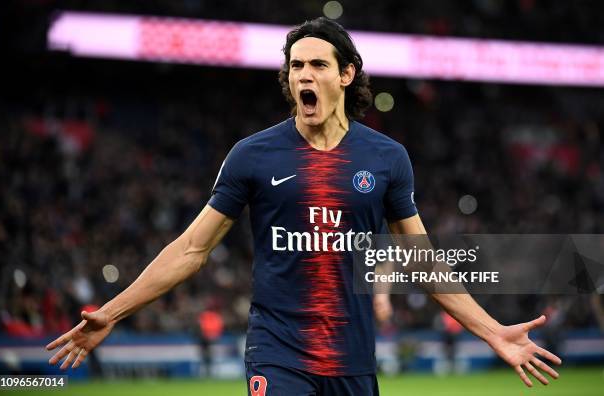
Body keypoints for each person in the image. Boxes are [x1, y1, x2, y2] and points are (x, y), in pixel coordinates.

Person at [46, 17, 562, 395]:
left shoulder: (386, 158)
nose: (303, 76)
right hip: (277, 354)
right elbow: (190, 250)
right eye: (296, 66)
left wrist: (494, 331)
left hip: (353, 362)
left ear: (345, 75)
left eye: (317, 64)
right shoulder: (252, 155)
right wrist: (110, 313)